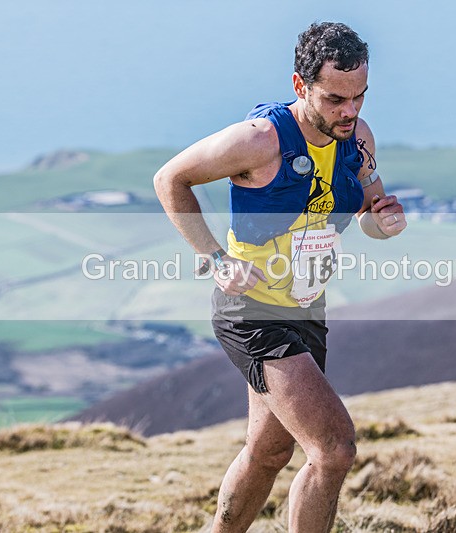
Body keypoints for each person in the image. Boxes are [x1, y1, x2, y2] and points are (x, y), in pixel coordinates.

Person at [154, 21, 406, 532]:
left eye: (360, 96)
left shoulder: (357, 139)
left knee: (268, 452)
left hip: (306, 308)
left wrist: (382, 223)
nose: (350, 111)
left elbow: (369, 212)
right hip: (252, 313)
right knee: (334, 448)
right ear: (300, 86)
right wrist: (214, 259)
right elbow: (170, 179)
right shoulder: (258, 141)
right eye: (335, 98)